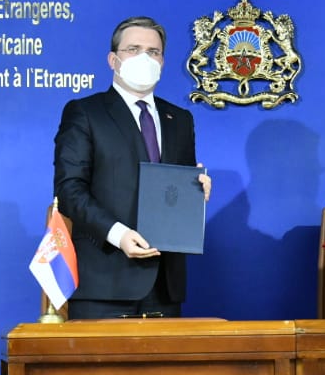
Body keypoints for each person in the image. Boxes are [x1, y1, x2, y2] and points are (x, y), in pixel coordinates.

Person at [53, 16, 210, 319]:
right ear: (113, 60)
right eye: (134, 49)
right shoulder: (85, 112)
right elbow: (69, 190)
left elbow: (176, 191)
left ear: (163, 62)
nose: (144, 58)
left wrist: (197, 191)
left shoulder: (180, 119)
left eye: (153, 52)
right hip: (105, 283)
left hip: (164, 286)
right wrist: (118, 234)